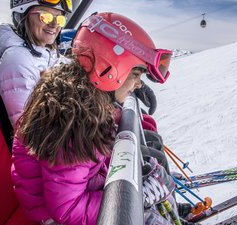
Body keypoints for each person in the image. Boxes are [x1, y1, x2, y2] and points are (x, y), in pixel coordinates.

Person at [11, 12, 197, 225]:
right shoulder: (72, 121)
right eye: (135, 75)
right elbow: (68, 209)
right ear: (109, 69)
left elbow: (95, 161)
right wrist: (136, 199)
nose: (137, 85)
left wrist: (137, 179)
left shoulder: (83, 98)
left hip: (83, 195)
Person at [0, 0, 72, 127]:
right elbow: (27, 129)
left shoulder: (48, 54)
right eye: (45, 17)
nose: (54, 25)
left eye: (60, 19)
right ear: (23, 16)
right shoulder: (17, 60)